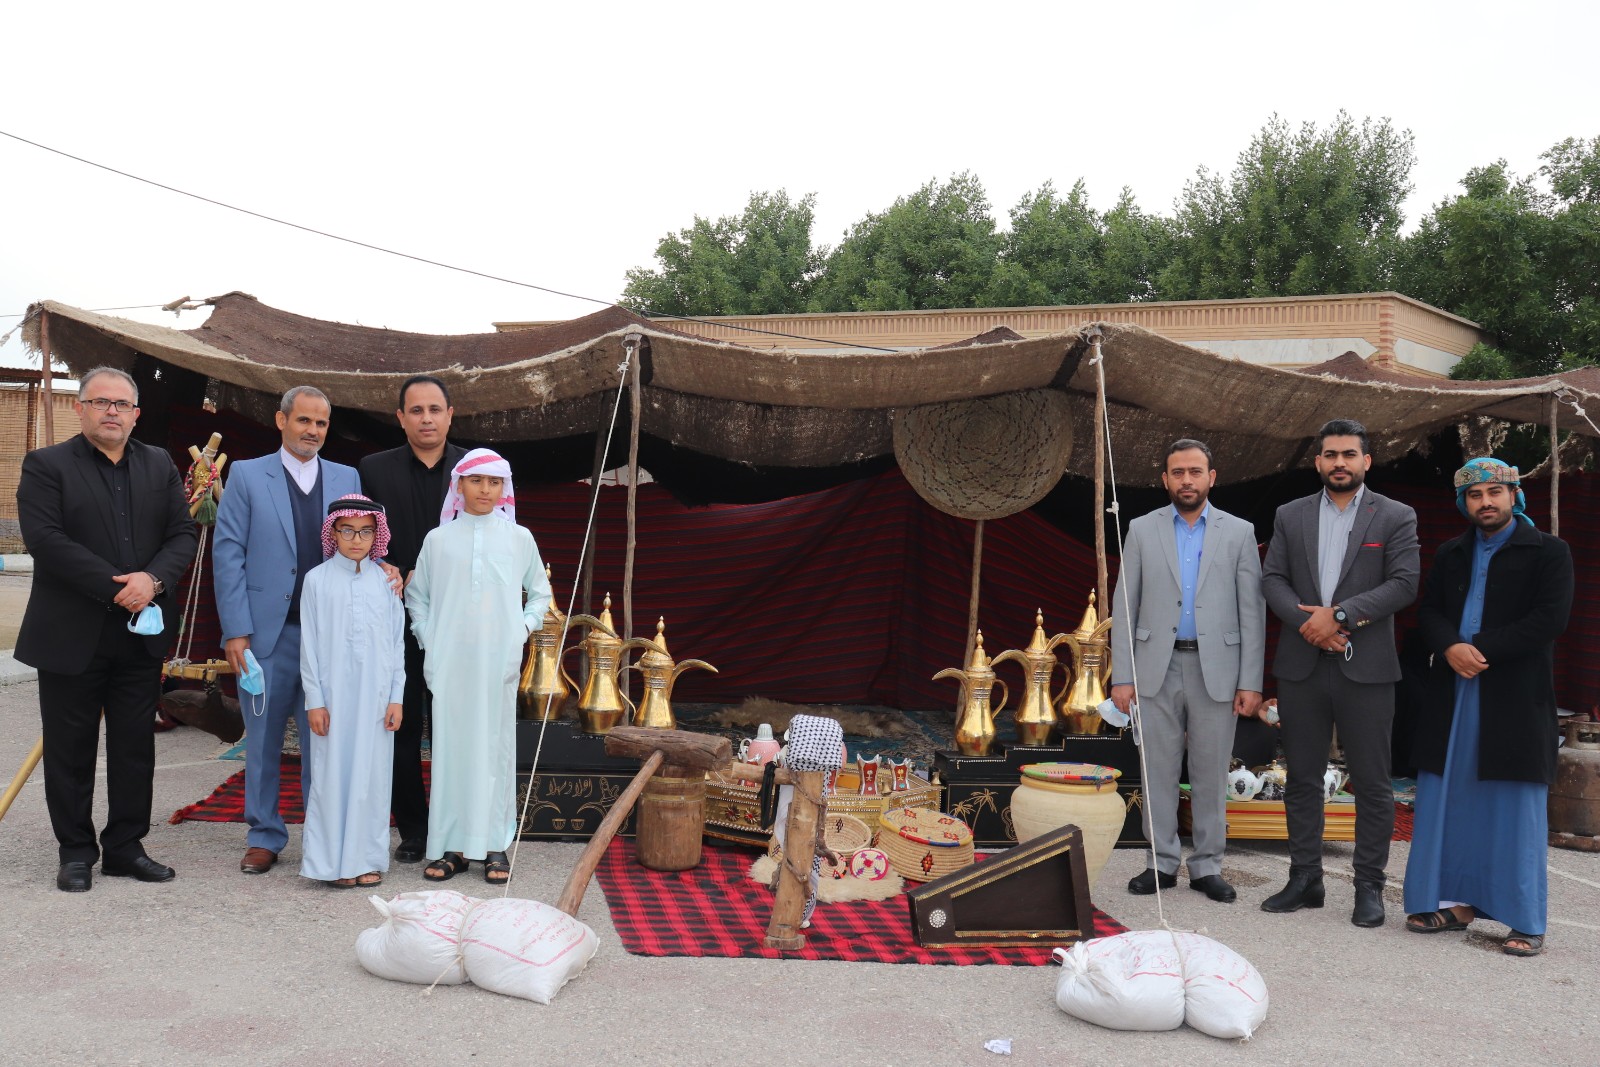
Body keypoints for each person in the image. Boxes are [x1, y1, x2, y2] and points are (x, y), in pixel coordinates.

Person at [16, 366, 196, 892]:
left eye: (122, 404)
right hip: (71, 632)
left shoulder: (158, 463)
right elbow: (45, 539)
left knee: (135, 745)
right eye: (101, 402)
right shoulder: (47, 465)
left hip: (140, 633)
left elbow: (182, 532)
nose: (112, 411)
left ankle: (124, 847)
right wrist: (120, 585)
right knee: (70, 748)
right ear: (81, 408)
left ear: (136, 414)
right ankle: (75, 851)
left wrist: (154, 580)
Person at [1403, 459, 1572, 956]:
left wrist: (1481, 650)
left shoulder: (1549, 551)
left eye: (1495, 492)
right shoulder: (1451, 553)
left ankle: (1525, 920)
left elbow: (1551, 619)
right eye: (1475, 495)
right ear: (1464, 503)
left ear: (1514, 495)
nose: (1486, 502)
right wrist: (1451, 646)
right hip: (1454, 695)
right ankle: (1456, 904)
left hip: (1514, 698)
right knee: (1450, 800)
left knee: (1512, 808)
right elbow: (1429, 610)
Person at [1260, 418, 1419, 927]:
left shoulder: (1395, 515)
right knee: (1303, 779)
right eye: (1330, 455)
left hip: (1367, 667)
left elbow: (1404, 583)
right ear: (1318, 462)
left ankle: (1368, 887)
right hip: (1303, 665)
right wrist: (1312, 624)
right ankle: (1305, 878)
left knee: (1373, 784)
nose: (1340, 463)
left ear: (1366, 461)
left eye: (1349, 454)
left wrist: (1341, 616)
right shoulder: (1291, 514)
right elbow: (1273, 579)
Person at [212, 385, 361, 875]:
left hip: (327, 638)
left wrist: (384, 569)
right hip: (264, 638)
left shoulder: (346, 477)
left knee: (326, 738)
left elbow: (361, 548)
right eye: (304, 421)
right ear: (282, 421)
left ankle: (323, 837)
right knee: (262, 738)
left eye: (321, 423)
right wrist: (236, 630)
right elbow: (228, 552)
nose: (312, 431)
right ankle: (264, 834)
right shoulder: (248, 475)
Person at [1109, 439, 1265, 903]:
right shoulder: (1140, 529)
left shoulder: (1239, 532)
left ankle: (1207, 866)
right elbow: (1126, 604)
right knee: (1155, 768)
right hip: (1156, 665)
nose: (1187, 480)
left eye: (1195, 471)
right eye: (1178, 472)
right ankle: (1159, 862)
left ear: (1211, 477)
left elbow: (1252, 612)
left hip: (1217, 667)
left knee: (1210, 771)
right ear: (1165, 479)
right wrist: (1123, 675)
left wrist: (1250, 681)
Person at [406, 448, 551, 884]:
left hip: (497, 662)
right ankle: (450, 847)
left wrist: (519, 631)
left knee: (494, 752)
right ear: (459, 485)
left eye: (494, 482)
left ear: (504, 488)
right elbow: (419, 599)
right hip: (449, 664)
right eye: (477, 481)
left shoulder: (519, 537)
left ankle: (493, 846)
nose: (485, 490)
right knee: (450, 751)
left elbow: (540, 595)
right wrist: (430, 640)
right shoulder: (438, 540)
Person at [357, 375, 465, 863]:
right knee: (400, 721)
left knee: (452, 723)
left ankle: (453, 825)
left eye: (434, 409)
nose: (426, 419)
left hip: (457, 616)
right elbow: (357, 532)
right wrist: (388, 564)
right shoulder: (372, 470)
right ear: (400, 417)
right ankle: (414, 830)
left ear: (449, 414)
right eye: (415, 410)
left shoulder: (474, 468)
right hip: (393, 613)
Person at [299, 495, 407, 888]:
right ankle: (329, 864)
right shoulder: (317, 580)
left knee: (372, 778)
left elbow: (397, 644)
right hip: (333, 698)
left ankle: (365, 860)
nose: (356, 539)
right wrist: (315, 701)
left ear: (377, 535)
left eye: (365, 531)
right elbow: (308, 646)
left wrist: (397, 696)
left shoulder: (387, 581)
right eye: (348, 531)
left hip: (377, 700)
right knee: (331, 777)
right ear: (334, 533)